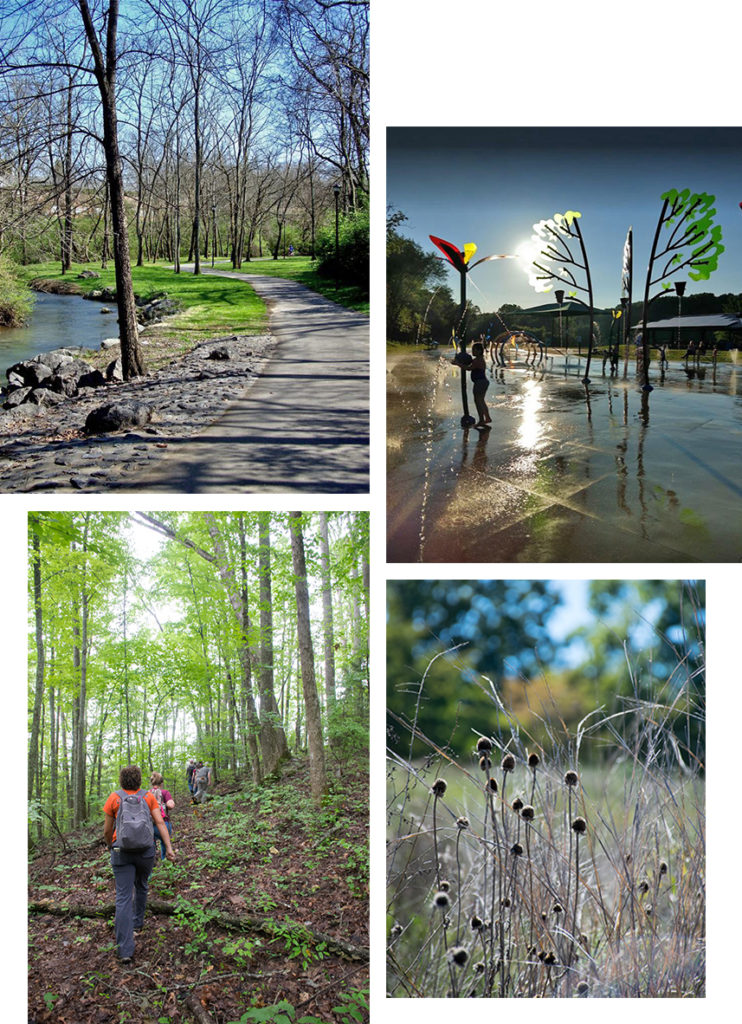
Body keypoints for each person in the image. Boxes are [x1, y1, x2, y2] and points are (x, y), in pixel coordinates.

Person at [103, 765, 176, 964]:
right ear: (139, 781)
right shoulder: (148, 797)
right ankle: (137, 923)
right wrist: (168, 847)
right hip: (145, 850)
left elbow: (107, 830)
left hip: (121, 851)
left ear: (121, 780)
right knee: (142, 885)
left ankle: (125, 950)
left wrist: (111, 845)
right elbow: (160, 823)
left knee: (123, 897)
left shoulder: (114, 798)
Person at [148, 772, 175, 861]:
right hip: (163, 823)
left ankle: (151, 864)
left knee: (150, 846)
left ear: (152, 783)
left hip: (149, 825)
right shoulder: (165, 792)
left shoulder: (147, 794)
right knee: (165, 844)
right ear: (162, 783)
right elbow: (171, 805)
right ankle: (165, 862)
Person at [467, 340, 491, 428]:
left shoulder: (478, 360)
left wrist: (458, 364)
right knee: (481, 401)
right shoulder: (478, 359)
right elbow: (469, 363)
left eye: (474, 350)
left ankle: (481, 420)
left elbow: (468, 368)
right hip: (483, 382)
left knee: (478, 402)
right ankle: (487, 418)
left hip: (479, 383)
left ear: (479, 351)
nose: (472, 351)